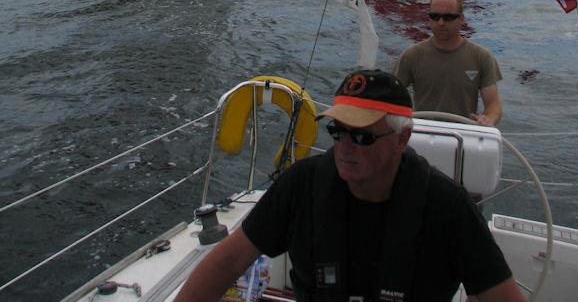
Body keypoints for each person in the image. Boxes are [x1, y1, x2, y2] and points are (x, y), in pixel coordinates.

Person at [174, 69, 524, 302]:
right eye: (337, 131)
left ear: (402, 139)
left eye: (362, 136)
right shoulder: (302, 184)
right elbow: (230, 260)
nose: (345, 147)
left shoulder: (447, 207)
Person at [394, 0, 503, 126]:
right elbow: (392, 96)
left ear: (461, 19)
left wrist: (488, 119)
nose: (440, 22)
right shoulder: (411, 56)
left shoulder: (482, 57)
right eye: (435, 17)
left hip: (465, 135)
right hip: (422, 133)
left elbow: (493, 104)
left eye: (448, 17)